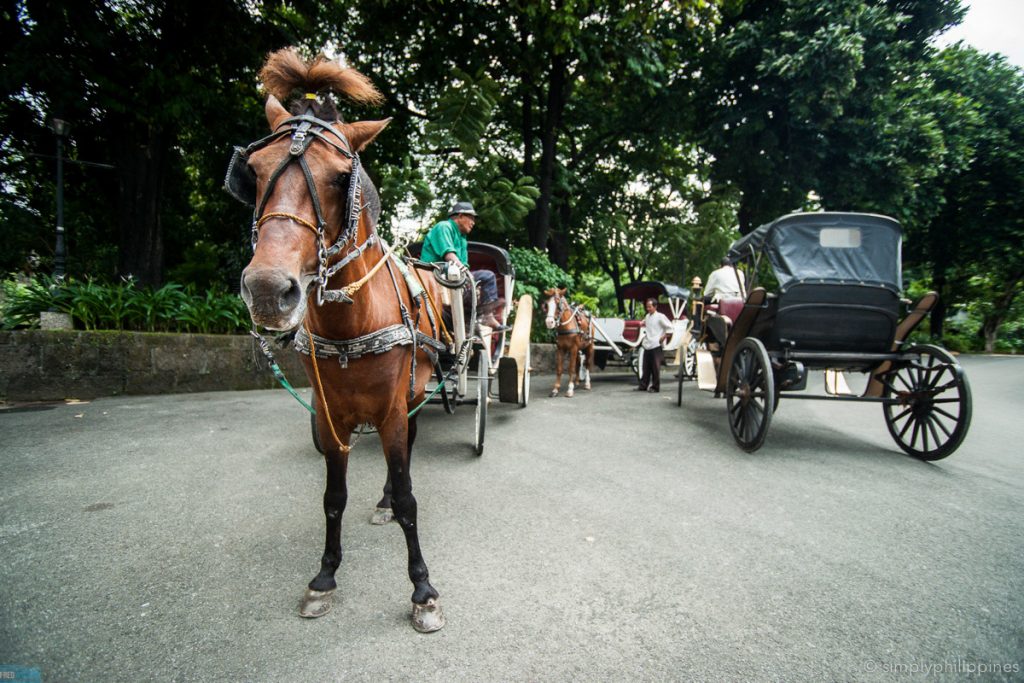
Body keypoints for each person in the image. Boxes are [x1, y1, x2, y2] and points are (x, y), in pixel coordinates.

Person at [420, 201, 507, 330]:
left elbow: (464, 265)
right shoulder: (444, 227)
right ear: (460, 216)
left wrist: (470, 281)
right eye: (471, 218)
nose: (473, 223)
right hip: (433, 271)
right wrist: (467, 278)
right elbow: (449, 255)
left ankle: (486, 315)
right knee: (459, 274)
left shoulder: (462, 239)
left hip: (452, 272)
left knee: (487, 276)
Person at [636, 298, 674, 393]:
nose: (648, 309)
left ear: (655, 307)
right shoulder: (647, 316)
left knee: (655, 368)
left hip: (656, 344)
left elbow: (670, 327)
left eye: (650, 307)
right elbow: (643, 322)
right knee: (645, 367)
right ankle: (643, 385)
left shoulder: (660, 316)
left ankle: (655, 387)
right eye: (647, 307)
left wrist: (664, 336)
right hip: (647, 343)